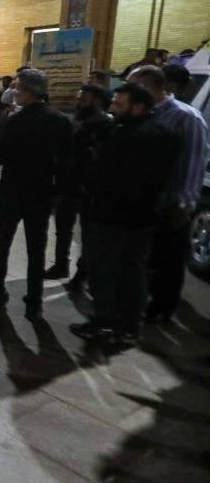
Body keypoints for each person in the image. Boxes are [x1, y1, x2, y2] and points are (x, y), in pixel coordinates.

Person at [69, 83, 179, 346]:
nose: (113, 108)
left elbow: (101, 176)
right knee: (134, 272)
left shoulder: (124, 136)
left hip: (111, 216)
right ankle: (130, 326)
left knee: (104, 271)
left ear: (138, 107)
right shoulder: (166, 134)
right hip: (143, 217)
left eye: (119, 105)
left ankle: (103, 323)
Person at [0, 69, 73, 321]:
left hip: (12, 190)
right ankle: (34, 301)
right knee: (37, 249)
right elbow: (66, 162)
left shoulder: (16, 121)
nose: (16, 92)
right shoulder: (61, 121)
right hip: (41, 192)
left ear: (30, 91)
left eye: (19, 88)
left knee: (1, 244)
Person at [128, 65, 209, 323]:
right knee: (146, 257)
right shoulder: (144, 114)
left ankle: (161, 309)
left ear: (147, 87)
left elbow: (194, 162)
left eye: (132, 87)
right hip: (144, 200)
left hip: (171, 201)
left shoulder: (187, 118)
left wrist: (184, 204)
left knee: (168, 260)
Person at [44, 85, 114, 287]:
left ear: (97, 101)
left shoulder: (106, 125)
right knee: (63, 228)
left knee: (88, 233)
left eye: (84, 99)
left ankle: (83, 271)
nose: (79, 102)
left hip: (89, 189)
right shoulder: (77, 120)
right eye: (79, 98)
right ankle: (61, 264)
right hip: (68, 184)